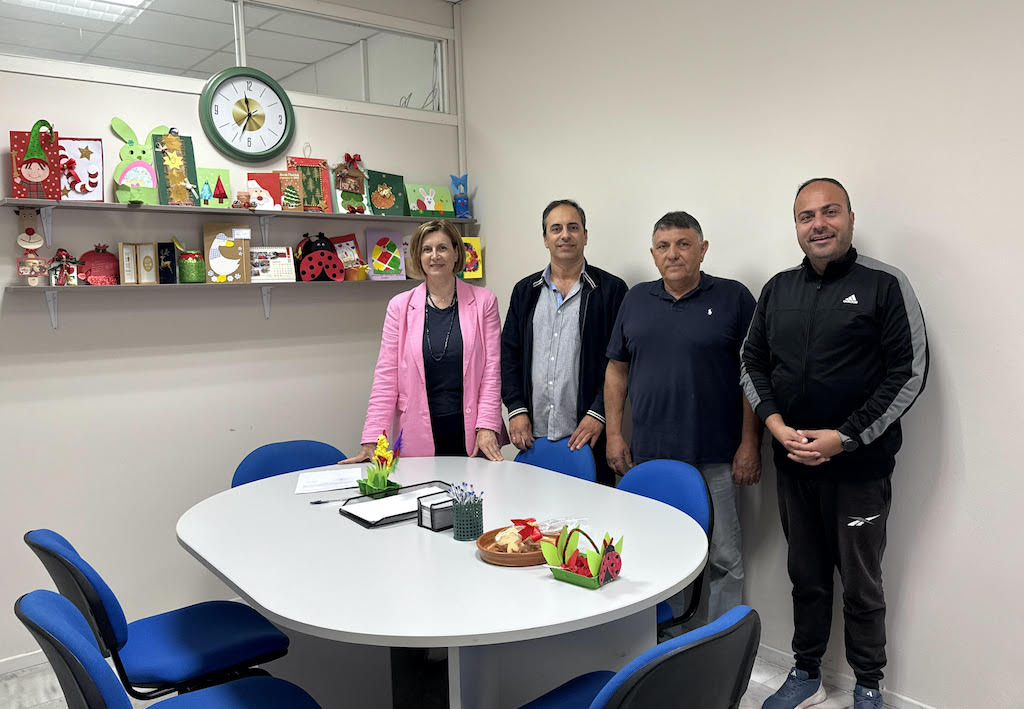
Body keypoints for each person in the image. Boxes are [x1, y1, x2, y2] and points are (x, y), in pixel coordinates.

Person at [741, 179, 928, 709]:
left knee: (862, 584)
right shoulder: (778, 289)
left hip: (859, 469)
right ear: (796, 226)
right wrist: (775, 424)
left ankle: (868, 683)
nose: (818, 224)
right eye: (806, 216)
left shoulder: (884, 284)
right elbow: (752, 363)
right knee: (806, 576)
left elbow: (909, 372)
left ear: (850, 218)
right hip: (794, 465)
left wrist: (844, 438)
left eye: (830, 212)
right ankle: (807, 673)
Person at [604, 211, 762, 624]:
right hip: (650, 456)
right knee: (658, 552)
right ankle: (667, 638)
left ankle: (722, 640)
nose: (672, 254)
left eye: (683, 244)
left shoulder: (734, 298)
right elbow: (616, 370)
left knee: (724, 556)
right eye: (663, 246)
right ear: (653, 254)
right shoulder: (636, 299)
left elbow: (754, 375)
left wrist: (750, 444)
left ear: (702, 249)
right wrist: (614, 434)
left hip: (717, 455)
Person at [343, 220, 507, 464]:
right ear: (418, 257)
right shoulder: (399, 306)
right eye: (426, 249)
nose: (434, 256)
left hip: (472, 432)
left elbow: (492, 370)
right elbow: (386, 377)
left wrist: (487, 426)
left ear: (456, 253)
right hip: (416, 430)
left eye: (442, 248)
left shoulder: (484, 302)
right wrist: (372, 439)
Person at [501, 199, 627, 485]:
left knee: (592, 512)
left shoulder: (611, 290)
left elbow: (619, 363)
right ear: (545, 239)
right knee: (531, 510)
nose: (565, 235)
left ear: (585, 235)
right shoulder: (525, 291)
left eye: (573, 227)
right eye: (556, 228)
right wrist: (516, 409)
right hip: (533, 437)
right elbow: (508, 355)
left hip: (588, 435)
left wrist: (598, 413)